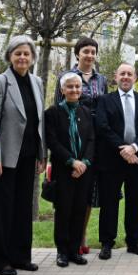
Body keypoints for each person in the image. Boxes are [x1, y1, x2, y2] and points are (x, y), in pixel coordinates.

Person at [0, 35, 45, 275]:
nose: (22, 57)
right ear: (9, 56)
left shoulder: (37, 82)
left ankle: (21, 256)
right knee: (2, 208)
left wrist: (42, 154)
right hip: (6, 157)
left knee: (23, 207)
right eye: (17, 53)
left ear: (32, 58)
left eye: (26, 54)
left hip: (29, 155)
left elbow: (39, 120)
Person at [96, 62, 138, 259]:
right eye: (122, 73)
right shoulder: (105, 100)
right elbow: (103, 127)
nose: (125, 77)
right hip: (112, 159)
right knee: (109, 202)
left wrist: (134, 147)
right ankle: (107, 243)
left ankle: (134, 241)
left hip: (137, 159)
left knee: (134, 202)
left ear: (135, 78)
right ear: (115, 77)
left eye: (129, 74)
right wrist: (123, 148)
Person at [53, 36, 108, 255]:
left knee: (88, 191)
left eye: (93, 51)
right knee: (66, 195)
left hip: (94, 140)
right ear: (77, 54)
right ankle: (64, 245)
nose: (90, 55)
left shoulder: (101, 79)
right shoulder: (66, 77)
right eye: (85, 51)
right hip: (71, 140)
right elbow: (57, 107)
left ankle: (80, 235)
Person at [45, 72, 96, 268]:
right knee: (64, 210)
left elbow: (91, 140)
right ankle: (62, 252)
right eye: (70, 87)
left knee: (79, 210)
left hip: (84, 170)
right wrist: (71, 161)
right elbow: (53, 141)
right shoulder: (52, 113)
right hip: (64, 169)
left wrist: (84, 162)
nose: (74, 90)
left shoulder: (86, 112)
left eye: (77, 86)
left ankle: (75, 250)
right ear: (62, 90)